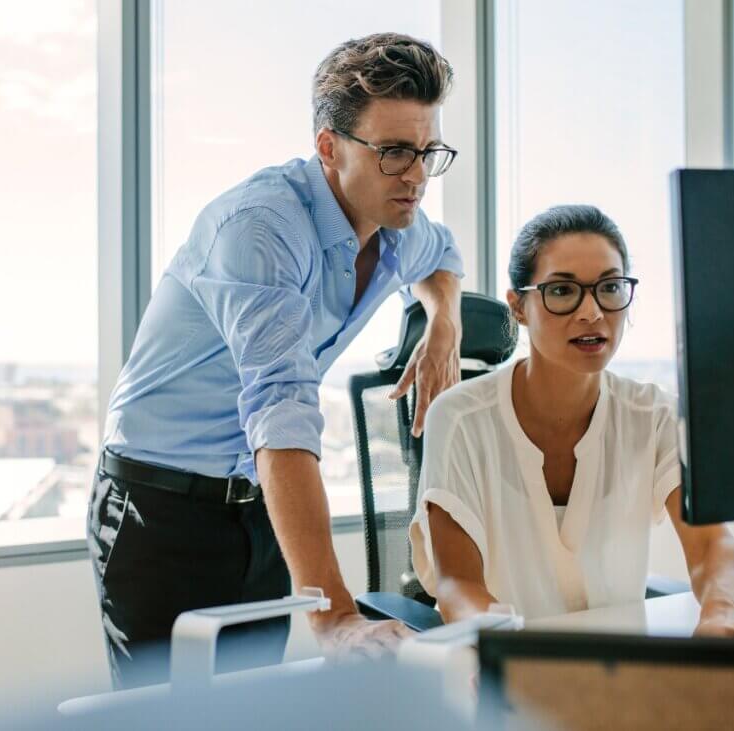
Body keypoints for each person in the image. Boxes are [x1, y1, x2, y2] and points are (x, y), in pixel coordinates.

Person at [90, 32, 467, 689]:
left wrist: (444, 325)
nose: (415, 176)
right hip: (160, 504)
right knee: (162, 718)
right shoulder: (261, 228)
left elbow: (443, 256)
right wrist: (337, 618)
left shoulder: (395, 222)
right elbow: (283, 411)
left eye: (427, 152)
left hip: (259, 506)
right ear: (329, 147)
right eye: (394, 152)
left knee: (253, 706)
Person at [409, 204, 734, 638]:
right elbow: (458, 585)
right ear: (519, 306)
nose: (592, 312)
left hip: (619, 666)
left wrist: (725, 609)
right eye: (563, 291)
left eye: (610, 287)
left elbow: (712, 545)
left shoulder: (654, 415)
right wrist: (513, 650)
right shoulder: (460, 418)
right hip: (499, 664)